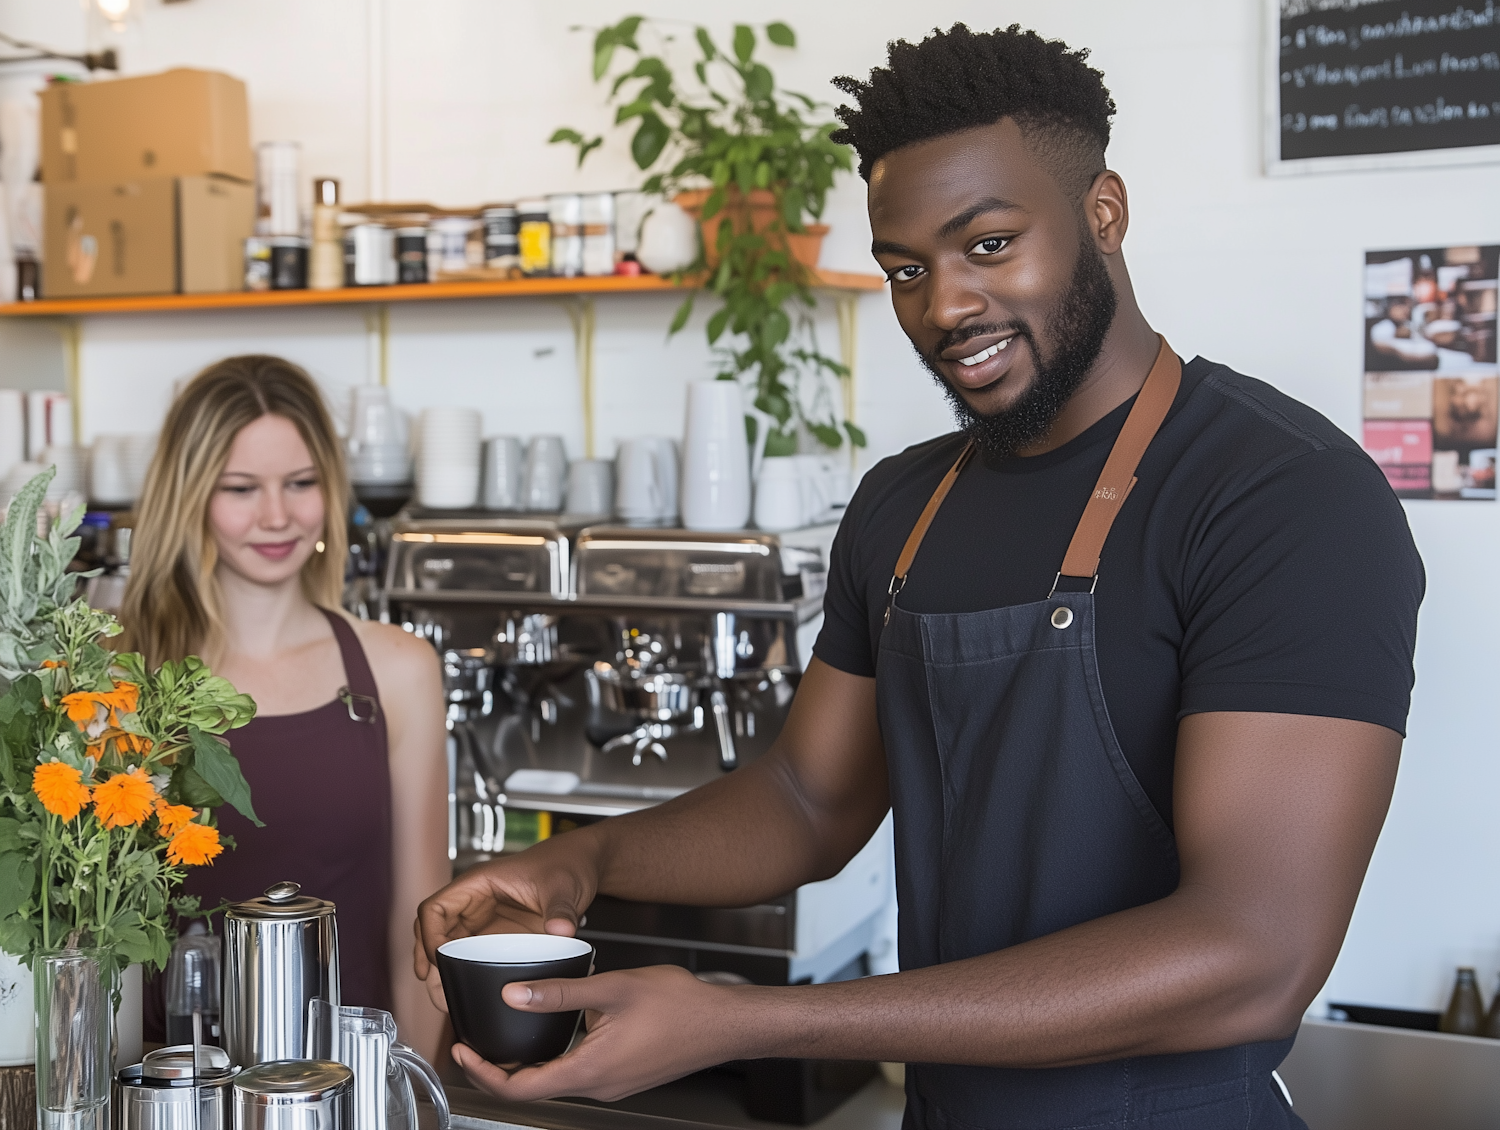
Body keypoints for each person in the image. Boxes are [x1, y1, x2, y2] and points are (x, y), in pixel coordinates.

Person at [415, 25, 1423, 1129]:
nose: (942, 308)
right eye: (906, 269)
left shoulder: (1282, 496)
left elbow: (1252, 949)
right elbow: (809, 798)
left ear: (1104, 213)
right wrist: (579, 865)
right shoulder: (905, 503)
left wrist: (757, 1020)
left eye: (987, 244)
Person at [125, 355, 449, 1059]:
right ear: (190, 497)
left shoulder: (399, 671)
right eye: (241, 488)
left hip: (349, 1089)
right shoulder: (128, 677)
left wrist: (420, 1104)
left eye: (301, 484)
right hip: (176, 1092)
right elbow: (102, 941)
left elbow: (417, 933)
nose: (277, 516)